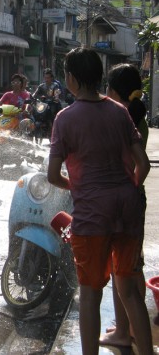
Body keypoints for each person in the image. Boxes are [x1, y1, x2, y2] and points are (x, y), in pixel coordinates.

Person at [47, 48, 152, 355]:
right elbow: (143, 165)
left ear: (71, 78)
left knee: (91, 295)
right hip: (127, 207)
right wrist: (127, 188)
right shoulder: (120, 111)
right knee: (131, 291)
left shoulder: (65, 119)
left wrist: (81, 188)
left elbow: (53, 175)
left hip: (93, 214)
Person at [99, 64, 149, 349]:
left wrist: (127, 189)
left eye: (108, 88)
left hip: (120, 202)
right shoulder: (137, 117)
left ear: (115, 92)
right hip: (132, 199)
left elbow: (137, 164)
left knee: (124, 277)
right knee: (130, 270)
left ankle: (128, 333)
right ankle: (126, 330)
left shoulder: (120, 119)